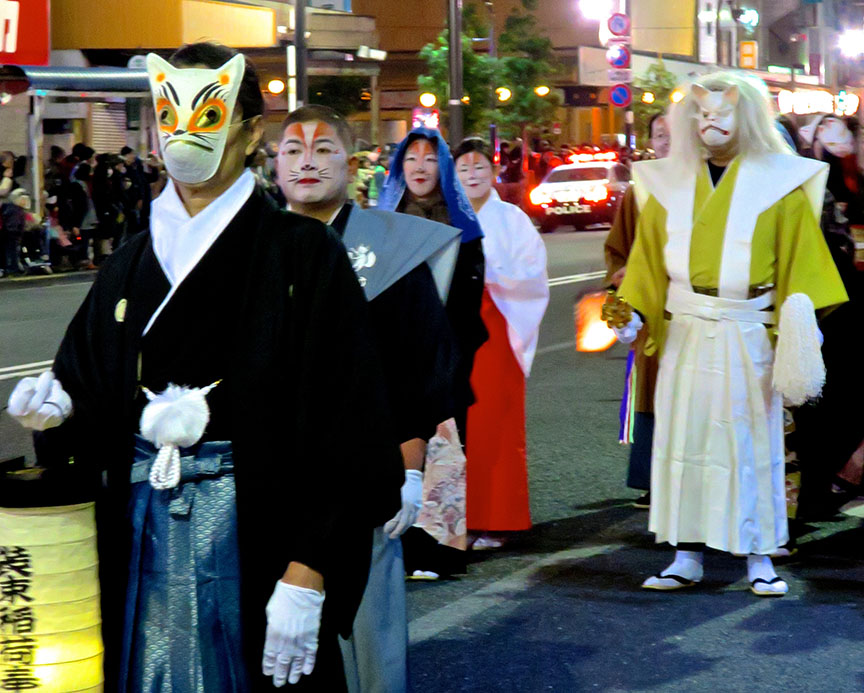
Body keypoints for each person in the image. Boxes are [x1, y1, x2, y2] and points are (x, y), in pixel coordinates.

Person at [8, 42, 403, 691]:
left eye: (209, 115)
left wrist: (309, 567)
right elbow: (87, 378)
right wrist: (59, 408)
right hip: (141, 527)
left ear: (249, 133)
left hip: (259, 533)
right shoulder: (132, 260)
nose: (184, 134)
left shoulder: (303, 253)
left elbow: (350, 418)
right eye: (170, 116)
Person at [612, 71, 847, 597]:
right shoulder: (666, 185)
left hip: (748, 329)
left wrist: (799, 331)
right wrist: (631, 312)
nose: (710, 122)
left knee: (750, 443)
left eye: (721, 112)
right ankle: (685, 553)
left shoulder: (780, 185)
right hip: (686, 329)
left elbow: (802, 268)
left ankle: (759, 554)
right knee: (685, 439)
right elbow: (646, 265)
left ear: (747, 117)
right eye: (701, 112)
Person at [277, 104, 460, 693]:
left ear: (352, 164)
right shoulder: (257, 248)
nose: (307, 162)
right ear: (273, 165)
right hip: (275, 475)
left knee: (365, 637)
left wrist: (410, 469)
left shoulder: (389, 249)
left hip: (365, 475)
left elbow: (421, 370)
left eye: (323, 149)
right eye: (293, 150)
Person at [378, 127, 487, 578]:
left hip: (447, 350)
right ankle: (398, 546)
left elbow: (472, 294)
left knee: (444, 445)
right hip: (396, 354)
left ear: (441, 167)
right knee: (400, 445)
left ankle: (442, 549)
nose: (419, 167)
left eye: (428, 159)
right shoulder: (383, 225)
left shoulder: (463, 227)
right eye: (410, 159)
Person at [454, 137, 549, 548]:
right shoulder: (449, 216)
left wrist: (489, 276)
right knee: (458, 428)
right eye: (463, 169)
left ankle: (498, 519)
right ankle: (460, 520)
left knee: (495, 425)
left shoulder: (512, 219)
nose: (472, 175)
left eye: (479, 167)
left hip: (498, 328)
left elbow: (532, 273)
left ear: (493, 173)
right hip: (457, 331)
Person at [604, 112, 668, 508]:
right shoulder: (639, 191)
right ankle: (650, 479)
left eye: (675, 134)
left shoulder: (705, 185)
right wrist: (621, 284)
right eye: (660, 135)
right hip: (650, 313)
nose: (667, 142)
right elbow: (617, 250)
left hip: (692, 307)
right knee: (650, 390)